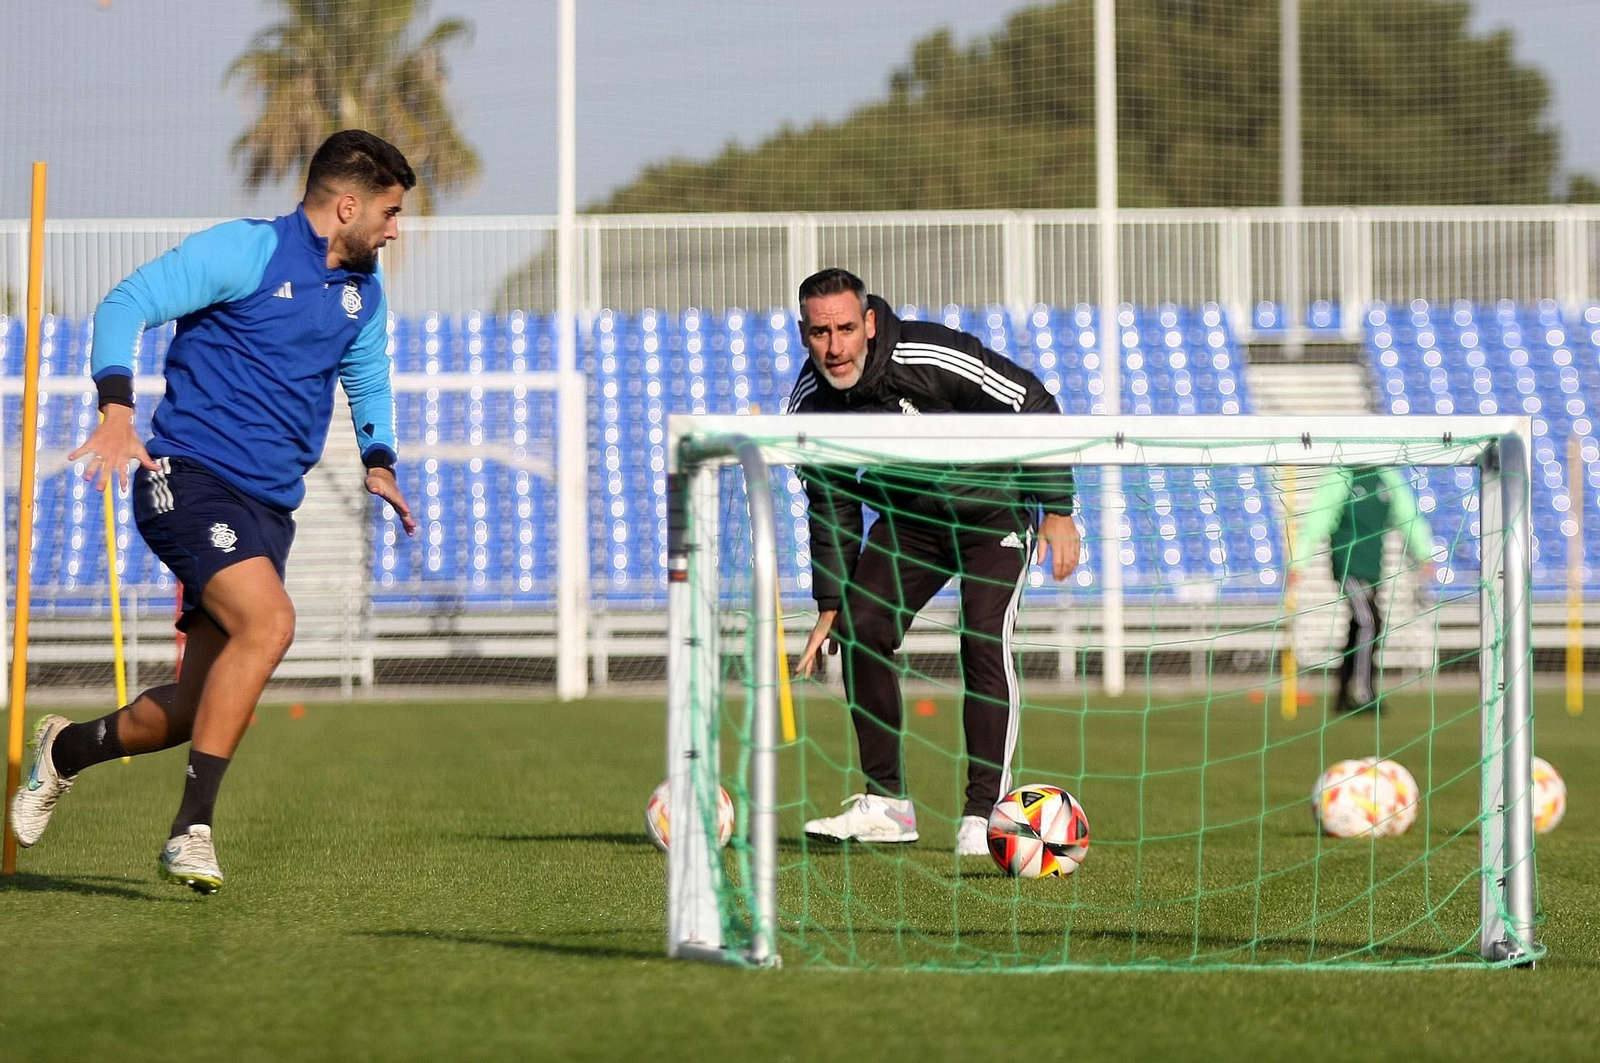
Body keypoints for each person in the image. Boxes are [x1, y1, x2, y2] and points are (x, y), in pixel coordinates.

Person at [8, 130, 419, 893]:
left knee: (193, 709)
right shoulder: (245, 252)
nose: (396, 230)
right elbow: (125, 301)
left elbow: (368, 375)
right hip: (186, 477)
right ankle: (189, 829)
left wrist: (379, 457)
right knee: (271, 624)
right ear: (348, 205)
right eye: (391, 214)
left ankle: (63, 753)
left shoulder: (364, 293)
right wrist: (116, 408)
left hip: (269, 508)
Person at [788, 268, 1080, 857]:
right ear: (804, 334)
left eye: (846, 328)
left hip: (991, 512)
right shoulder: (809, 405)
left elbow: (1032, 401)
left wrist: (1057, 507)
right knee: (861, 624)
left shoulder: (929, 355)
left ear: (869, 323)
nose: (836, 346)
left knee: (982, 638)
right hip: (911, 523)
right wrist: (830, 599)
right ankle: (887, 805)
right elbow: (831, 499)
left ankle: (986, 814)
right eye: (821, 332)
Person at [1288, 465, 1436, 714]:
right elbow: (1317, 521)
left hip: (1372, 568)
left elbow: (1408, 517)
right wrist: (1299, 563)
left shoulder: (1387, 478)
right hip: (1348, 565)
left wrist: (1424, 554)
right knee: (1369, 621)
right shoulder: (1340, 478)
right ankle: (1363, 694)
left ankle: (1343, 696)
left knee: (1359, 627)